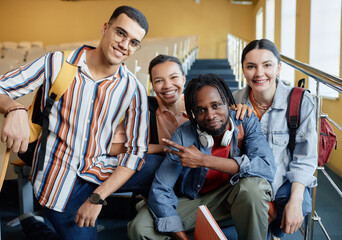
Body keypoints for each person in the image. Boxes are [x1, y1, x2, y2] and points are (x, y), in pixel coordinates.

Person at [0, 6, 158, 240]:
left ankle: (158, 214)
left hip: (99, 169)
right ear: (105, 28)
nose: (125, 45)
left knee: (167, 164)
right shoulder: (57, 63)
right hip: (61, 181)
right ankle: (38, 227)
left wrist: (98, 197)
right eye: (121, 33)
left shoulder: (132, 87)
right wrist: (14, 108)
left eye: (134, 42)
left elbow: (136, 152)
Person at [127, 73, 276, 240]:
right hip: (194, 200)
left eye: (216, 105)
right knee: (139, 228)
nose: (210, 115)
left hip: (234, 197)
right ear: (193, 114)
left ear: (228, 102)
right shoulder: (184, 135)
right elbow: (162, 188)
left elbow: (266, 167)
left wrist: (204, 160)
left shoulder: (246, 121)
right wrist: (180, 235)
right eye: (201, 110)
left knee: (253, 189)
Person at [232, 39, 317, 238]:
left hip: (283, 182)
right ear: (243, 70)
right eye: (251, 66)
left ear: (278, 68)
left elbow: (305, 158)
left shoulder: (300, 101)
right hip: (249, 181)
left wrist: (294, 201)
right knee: (253, 198)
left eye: (267, 65)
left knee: (301, 203)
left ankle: (273, 230)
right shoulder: (233, 102)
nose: (259, 73)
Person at [110, 54, 253, 156]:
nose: (167, 86)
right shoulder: (145, 109)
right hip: (165, 172)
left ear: (184, 79)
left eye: (174, 77)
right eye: (159, 81)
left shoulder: (203, 105)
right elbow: (112, 148)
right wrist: (163, 148)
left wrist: (242, 108)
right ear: (152, 85)